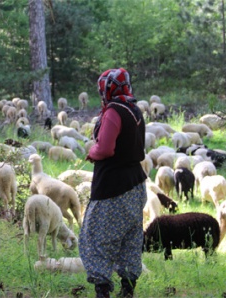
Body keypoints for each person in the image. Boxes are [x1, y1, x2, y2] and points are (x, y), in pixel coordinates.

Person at [79, 68, 147, 298]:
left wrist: (92, 151)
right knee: (130, 236)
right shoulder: (134, 109)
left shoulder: (113, 112)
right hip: (136, 184)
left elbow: (106, 148)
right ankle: (128, 287)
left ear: (106, 89)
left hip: (112, 187)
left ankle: (102, 289)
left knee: (96, 236)